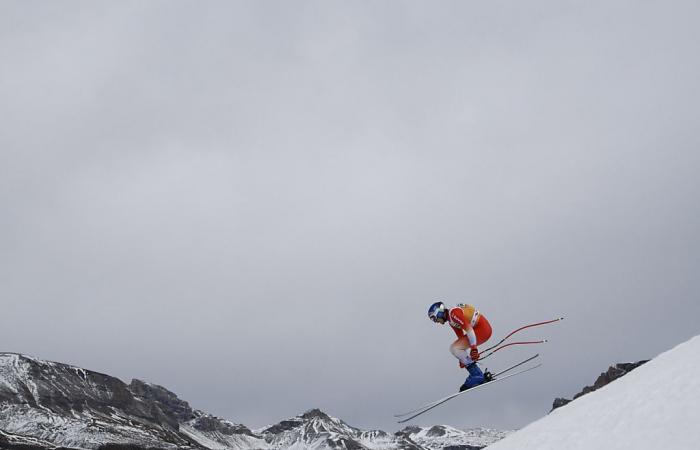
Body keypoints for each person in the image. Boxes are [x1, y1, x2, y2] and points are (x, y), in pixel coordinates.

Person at [428, 301, 493, 391]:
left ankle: (477, 375)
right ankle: (476, 374)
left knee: (453, 348)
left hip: (482, 329)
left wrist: (474, 348)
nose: (436, 322)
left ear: (440, 312)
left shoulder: (453, 314)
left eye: (434, 318)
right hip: (479, 330)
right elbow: (461, 338)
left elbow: (468, 329)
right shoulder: (451, 320)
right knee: (456, 348)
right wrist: (462, 358)